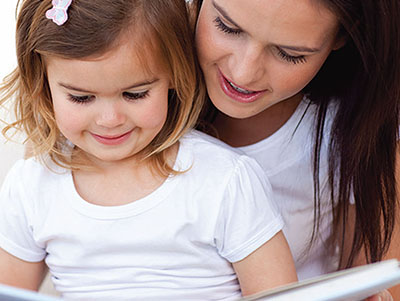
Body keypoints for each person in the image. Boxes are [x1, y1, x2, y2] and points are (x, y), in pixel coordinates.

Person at [0, 0, 297, 300]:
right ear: (43, 84)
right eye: (81, 98)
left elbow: (280, 295)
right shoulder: (31, 186)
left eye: (135, 94)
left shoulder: (226, 180)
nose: (110, 120)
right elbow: (11, 293)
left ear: (173, 74)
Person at [193, 0, 400, 299]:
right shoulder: (125, 88)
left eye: (289, 54)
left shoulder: (357, 133)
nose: (243, 72)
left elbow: (380, 279)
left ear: (342, 37)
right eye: (227, 27)